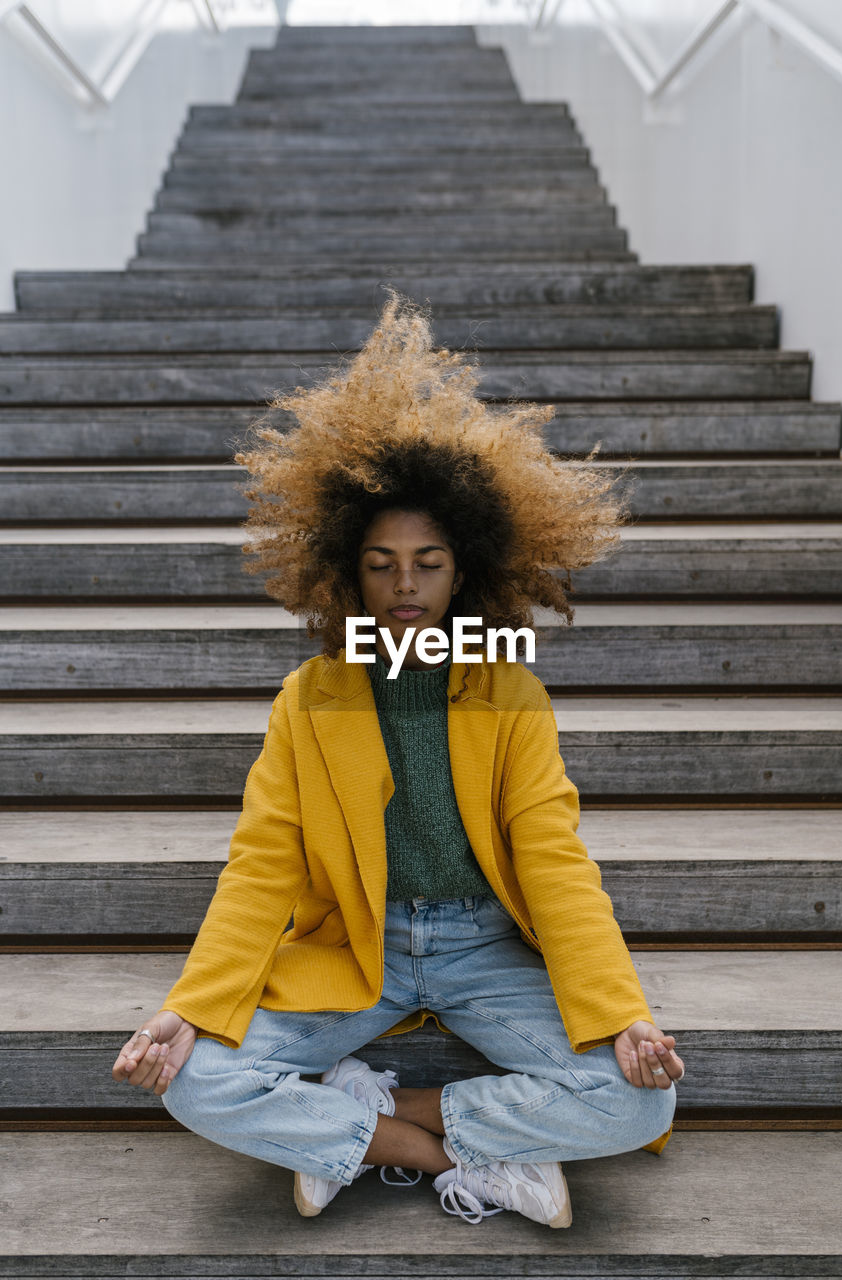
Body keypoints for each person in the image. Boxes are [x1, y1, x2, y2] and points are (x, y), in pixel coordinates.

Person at [111, 296, 684, 1229]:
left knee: (639, 1098)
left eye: (428, 561)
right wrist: (189, 1006)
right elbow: (264, 864)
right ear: (347, 570)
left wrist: (621, 1014)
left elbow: (554, 861)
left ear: (467, 571)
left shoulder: (509, 696)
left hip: (482, 948)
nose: (405, 586)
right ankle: (460, 1155)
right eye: (380, 563)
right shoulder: (310, 698)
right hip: (358, 952)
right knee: (193, 1077)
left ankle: (354, 1124)